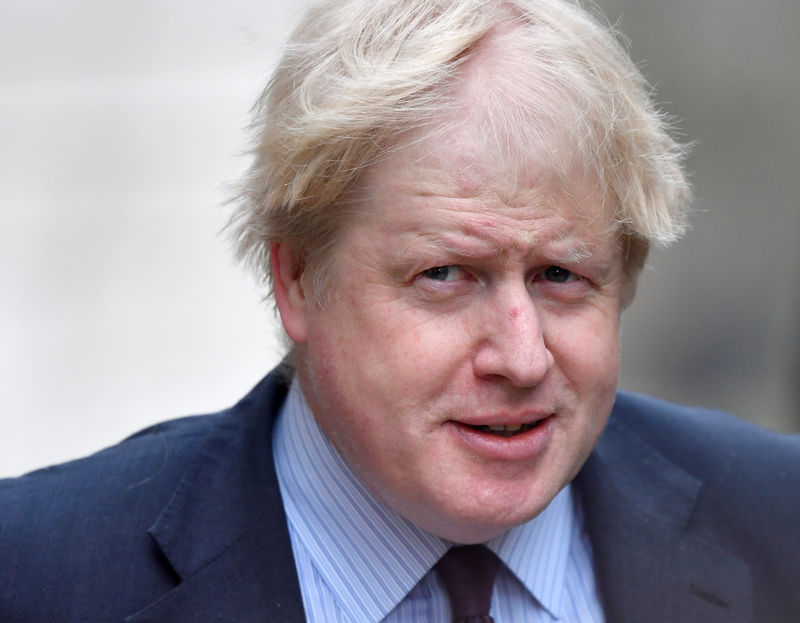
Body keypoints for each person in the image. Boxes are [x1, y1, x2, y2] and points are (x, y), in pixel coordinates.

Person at [1, 0, 798, 621]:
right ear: (297, 277)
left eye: (560, 275)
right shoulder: (38, 576)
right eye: (446, 274)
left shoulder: (777, 523)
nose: (521, 358)